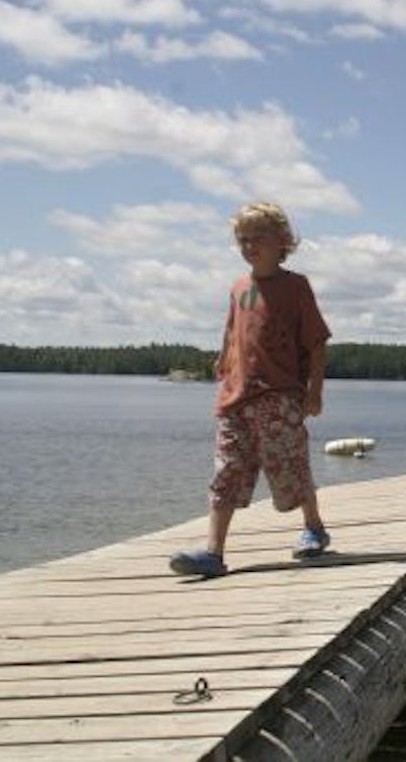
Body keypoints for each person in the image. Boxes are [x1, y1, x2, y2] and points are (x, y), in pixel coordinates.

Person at [170, 202, 332, 578]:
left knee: (289, 464)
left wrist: (315, 391)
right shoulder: (239, 288)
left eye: (259, 237)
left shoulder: (295, 286)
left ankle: (313, 527)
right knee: (227, 472)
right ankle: (213, 552)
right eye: (242, 239)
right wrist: (223, 360)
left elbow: (317, 341)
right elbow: (232, 332)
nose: (249, 245)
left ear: (282, 242)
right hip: (235, 398)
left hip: (280, 396)